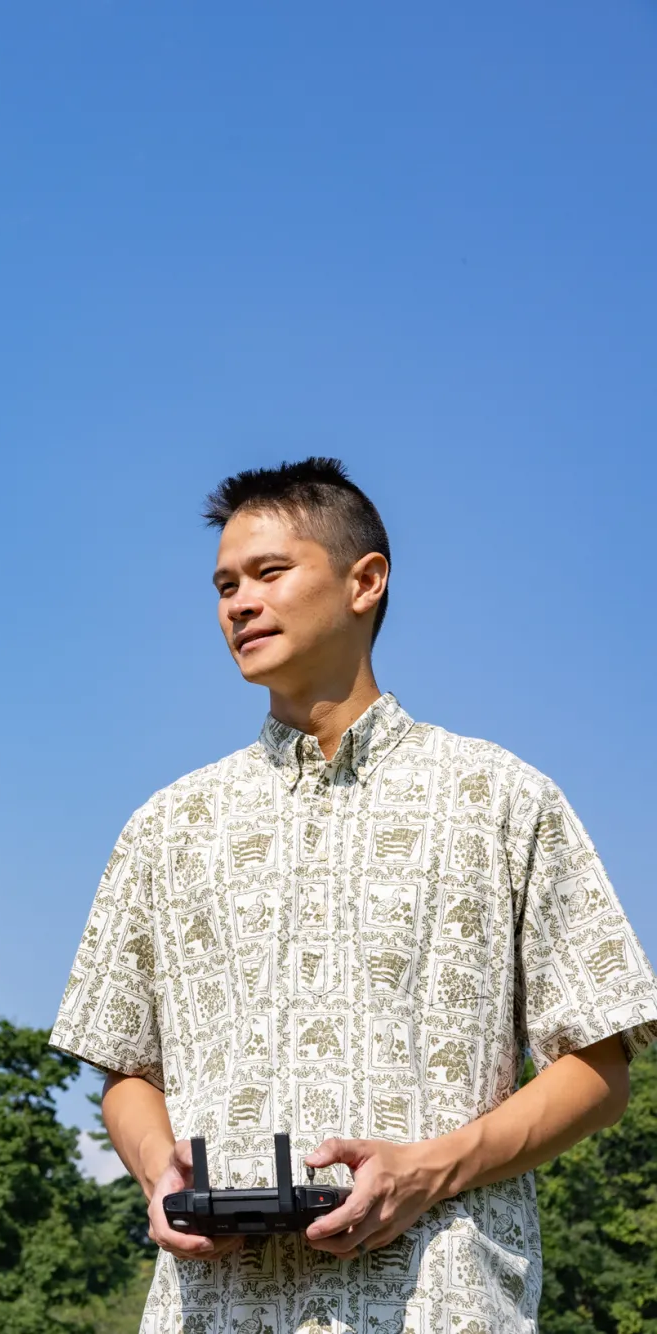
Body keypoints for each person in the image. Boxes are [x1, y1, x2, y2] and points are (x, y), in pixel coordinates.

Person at [49, 458, 657, 1334]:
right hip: (217, 1310)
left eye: (268, 573)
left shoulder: (500, 798)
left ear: (365, 581)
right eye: (224, 585)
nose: (238, 604)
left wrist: (429, 1169)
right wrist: (159, 1173)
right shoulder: (166, 827)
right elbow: (127, 1069)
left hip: (439, 1301)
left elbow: (599, 1070)